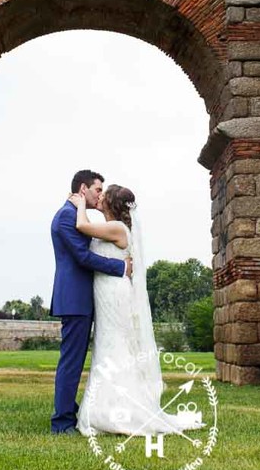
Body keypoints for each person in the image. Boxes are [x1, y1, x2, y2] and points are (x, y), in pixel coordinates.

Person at [69, 184, 205, 437]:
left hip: (114, 292)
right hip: (105, 290)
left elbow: (82, 227)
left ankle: (117, 410)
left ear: (111, 204)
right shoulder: (112, 227)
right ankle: (106, 406)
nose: (99, 197)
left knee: (116, 346)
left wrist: (79, 205)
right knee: (106, 345)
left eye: (104, 195)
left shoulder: (118, 228)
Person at [49, 170, 132, 435]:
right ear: (83, 188)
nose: (100, 195)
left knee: (75, 359)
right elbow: (83, 258)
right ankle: (61, 423)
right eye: (97, 190)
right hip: (74, 298)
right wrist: (120, 267)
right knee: (71, 362)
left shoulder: (75, 214)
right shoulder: (66, 216)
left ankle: (68, 412)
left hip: (84, 298)